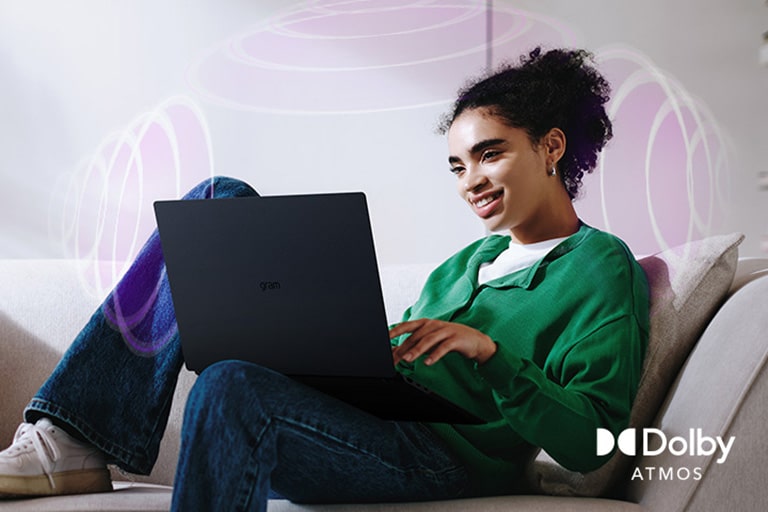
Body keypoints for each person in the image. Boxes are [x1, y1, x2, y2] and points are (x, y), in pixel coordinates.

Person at [0, 47, 649, 510]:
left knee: (232, 388)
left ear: (552, 148)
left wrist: (493, 357)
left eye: (489, 154)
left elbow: (595, 443)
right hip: (366, 422)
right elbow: (399, 370)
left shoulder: (599, 268)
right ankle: (69, 438)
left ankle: (71, 446)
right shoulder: (465, 266)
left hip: (439, 460)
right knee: (215, 197)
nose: (470, 181)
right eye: (455, 166)